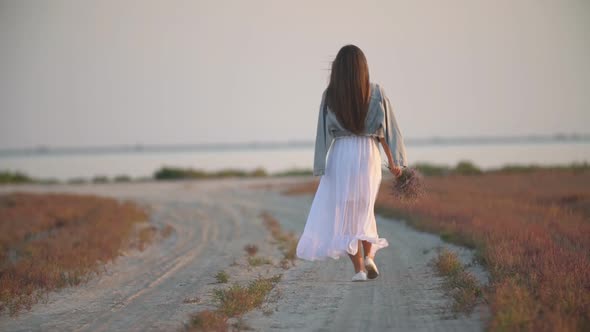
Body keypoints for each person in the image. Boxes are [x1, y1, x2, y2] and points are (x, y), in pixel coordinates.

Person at [295, 44, 408, 282]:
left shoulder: (330, 96)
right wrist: (395, 162)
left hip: (341, 153)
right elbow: (387, 133)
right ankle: (369, 257)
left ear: (337, 70)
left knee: (346, 211)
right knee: (365, 209)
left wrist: (320, 165)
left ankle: (358, 270)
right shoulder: (376, 92)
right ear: (363, 68)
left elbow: (322, 134)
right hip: (368, 154)